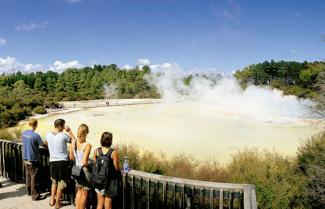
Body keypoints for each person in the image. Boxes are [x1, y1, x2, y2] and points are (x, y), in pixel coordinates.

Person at [45, 119, 75, 209]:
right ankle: (58, 203)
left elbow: (46, 144)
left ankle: (52, 200)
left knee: (54, 183)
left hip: (52, 162)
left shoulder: (48, 135)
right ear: (60, 126)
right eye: (64, 125)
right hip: (62, 163)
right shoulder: (64, 136)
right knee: (61, 184)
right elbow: (74, 140)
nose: (64, 127)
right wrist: (69, 130)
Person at [22, 118, 47, 201]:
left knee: (28, 176)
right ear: (36, 124)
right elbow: (43, 145)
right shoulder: (36, 135)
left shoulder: (24, 133)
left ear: (29, 124)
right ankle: (35, 196)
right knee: (34, 178)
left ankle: (29, 192)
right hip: (33, 159)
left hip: (25, 157)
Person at [93, 132, 119, 209]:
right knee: (108, 205)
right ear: (110, 140)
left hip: (98, 181)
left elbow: (95, 166)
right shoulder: (113, 152)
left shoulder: (96, 151)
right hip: (109, 182)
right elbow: (116, 168)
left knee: (100, 203)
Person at [69, 124, 92, 209]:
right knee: (85, 193)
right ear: (86, 133)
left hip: (76, 170)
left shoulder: (73, 142)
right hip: (84, 171)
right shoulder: (87, 145)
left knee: (79, 190)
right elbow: (85, 162)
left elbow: (71, 157)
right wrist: (91, 167)